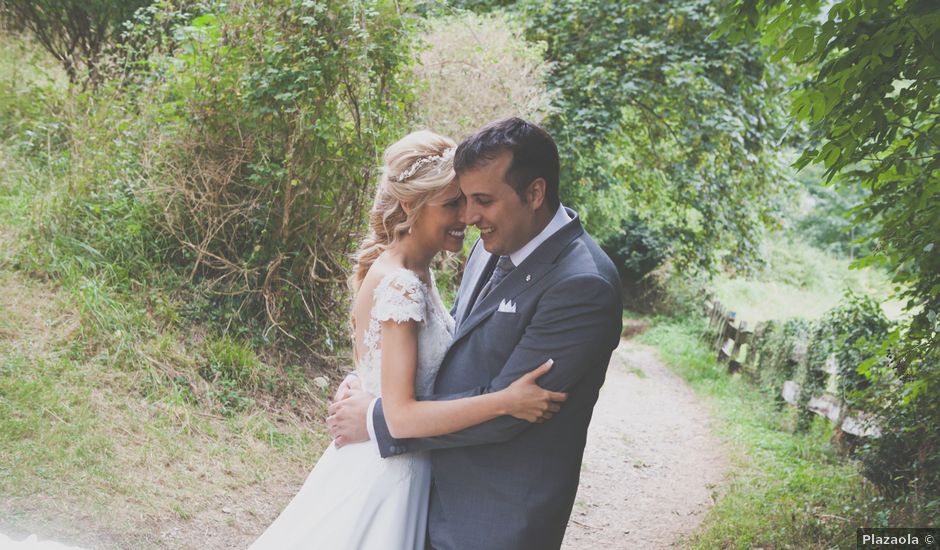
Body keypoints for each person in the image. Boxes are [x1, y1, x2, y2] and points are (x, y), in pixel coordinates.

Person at [249, 130, 566, 550]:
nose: (466, 216)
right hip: (389, 476)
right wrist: (506, 401)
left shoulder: (418, 272)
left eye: (470, 200)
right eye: (452, 203)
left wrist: (366, 386)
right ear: (410, 204)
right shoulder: (401, 284)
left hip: (409, 466)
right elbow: (400, 417)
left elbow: (396, 369)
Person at [329, 117, 624, 550]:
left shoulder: (583, 285)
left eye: (482, 200)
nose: (469, 217)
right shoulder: (496, 243)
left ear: (535, 192)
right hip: (421, 491)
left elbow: (511, 411)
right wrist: (375, 380)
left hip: (489, 520)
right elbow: (457, 344)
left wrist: (377, 419)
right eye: (462, 200)